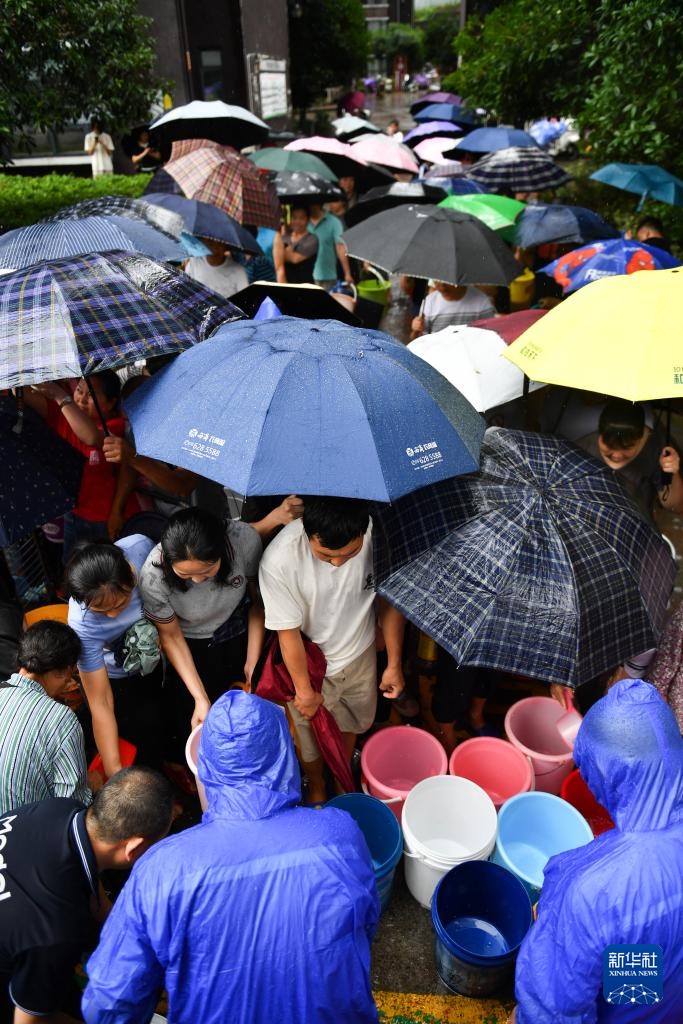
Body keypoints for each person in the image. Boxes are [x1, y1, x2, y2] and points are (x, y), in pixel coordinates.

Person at [81, 690, 380, 1024]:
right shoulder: (341, 836)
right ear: (285, 756)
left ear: (206, 769)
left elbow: (107, 1006)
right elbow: (363, 926)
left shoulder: (160, 869)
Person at [512, 678, 683, 1023]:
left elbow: (554, 1011)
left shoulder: (593, 893)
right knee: (639, 962)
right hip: (666, 993)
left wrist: (557, 920)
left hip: (630, 971)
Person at [258, 496, 406, 804]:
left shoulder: (381, 536)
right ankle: (316, 785)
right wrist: (304, 691)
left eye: (350, 553)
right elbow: (288, 634)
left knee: (352, 722)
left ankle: (341, 779)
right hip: (310, 663)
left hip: (360, 652)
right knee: (309, 741)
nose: (338, 563)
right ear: (306, 532)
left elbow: (390, 603)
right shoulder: (279, 560)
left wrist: (393, 662)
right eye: (326, 556)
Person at [0, 766, 173, 1024]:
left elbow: (92, 883)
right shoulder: (56, 930)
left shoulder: (60, 810)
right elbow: (29, 1021)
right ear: (134, 848)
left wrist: (124, 929)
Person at [139, 508, 263, 766]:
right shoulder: (153, 576)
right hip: (189, 644)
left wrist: (252, 664)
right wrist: (199, 696)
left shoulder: (244, 540)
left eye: (207, 571)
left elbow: (258, 604)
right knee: (190, 710)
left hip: (236, 629)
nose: (197, 580)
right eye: (185, 575)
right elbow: (171, 637)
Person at [66, 536, 165, 779]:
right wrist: (114, 772)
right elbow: (100, 702)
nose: (111, 616)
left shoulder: (141, 550)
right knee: (138, 727)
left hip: (162, 653)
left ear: (131, 578)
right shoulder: (81, 621)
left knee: (164, 712)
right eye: (101, 611)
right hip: (118, 674)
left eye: (120, 604)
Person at [23, 372, 144, 560]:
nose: (81, 399)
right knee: (72, 571)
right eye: (79, 390)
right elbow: (23, 395)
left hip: (110, 520)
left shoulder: (116, 427)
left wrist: (61, 397)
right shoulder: (63, 414)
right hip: (75, 515)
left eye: (91, 395)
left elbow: (92, 437)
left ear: (112, 403)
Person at [0, 620, 90, 815]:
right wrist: (92, 785)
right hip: (22, 836)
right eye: (71, 676)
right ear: (66, 671)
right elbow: (71, 804)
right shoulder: (61, 719)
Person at [575, 398, 683, 524]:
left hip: (636, 523)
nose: (616, 455)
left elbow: (676, 506)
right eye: (609, 446)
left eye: (626, 447)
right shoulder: (580, 449)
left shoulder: (657, 452)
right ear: (600, 434)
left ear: (643, 437)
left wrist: (672, 473)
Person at [410, 280, 497, 338]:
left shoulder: (481, 301)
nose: (442, 286)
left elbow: (491, 336)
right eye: (437, 281)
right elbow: (421, 340)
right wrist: (415, 330)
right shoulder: (429, 302)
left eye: (446, 281)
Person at [308, 201, 354, 291]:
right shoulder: (301, 221)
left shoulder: (334, 222)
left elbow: (340, 247)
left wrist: (347, 273)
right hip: (305, 277)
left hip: (327, 277)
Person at [184, 237, 249, 299]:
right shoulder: (194, 264)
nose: (215, 249)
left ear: (225, 247)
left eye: (219, 245)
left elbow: (244, 299)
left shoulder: (238, 271)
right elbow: (186, 291)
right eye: (211, 244)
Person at [272, 205, 319, 284]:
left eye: (301, 218)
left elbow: (294, 259)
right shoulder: (285, 236)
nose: (297, 222)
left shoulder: (312, 239)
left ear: (307, 220)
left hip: (305, 286)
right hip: (285, 283)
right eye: (294, 218)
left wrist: (277, 250)